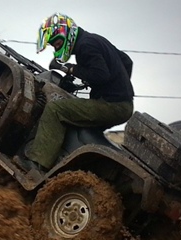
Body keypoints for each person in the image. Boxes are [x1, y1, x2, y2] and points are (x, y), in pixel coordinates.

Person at [14, 12, 134, 173]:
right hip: (123, 104)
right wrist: (119, 87)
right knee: (75, 119)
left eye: (56, 43)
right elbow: (126, 61)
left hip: (112, 105)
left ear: (67, 34)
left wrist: (70, 69)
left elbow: (101, 74)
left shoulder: (85, 45)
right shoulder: (95, 39)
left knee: (55, 110)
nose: (56, 47)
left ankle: (36, 165)